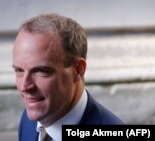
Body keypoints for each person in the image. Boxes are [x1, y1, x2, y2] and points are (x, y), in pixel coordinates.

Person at [12, 13, 123, 141]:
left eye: (41, 71)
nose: (24, 86)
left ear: (77, 70)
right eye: (19, 70)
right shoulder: (28, 122)